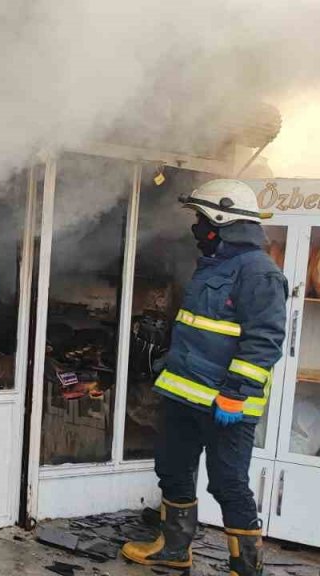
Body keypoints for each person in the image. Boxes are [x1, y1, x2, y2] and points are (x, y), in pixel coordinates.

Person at [122, 179, 286, 576]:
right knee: (173, 468)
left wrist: (236, 394)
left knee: (228, 483)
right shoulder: (214, 265)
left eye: (200, 218)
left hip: (225, 404)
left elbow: (264, 341)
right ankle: (174, 548)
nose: (196, 227)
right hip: (184, 396)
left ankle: (245, 566)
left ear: (220, 220)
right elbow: (203, 330)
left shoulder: (259, 273)